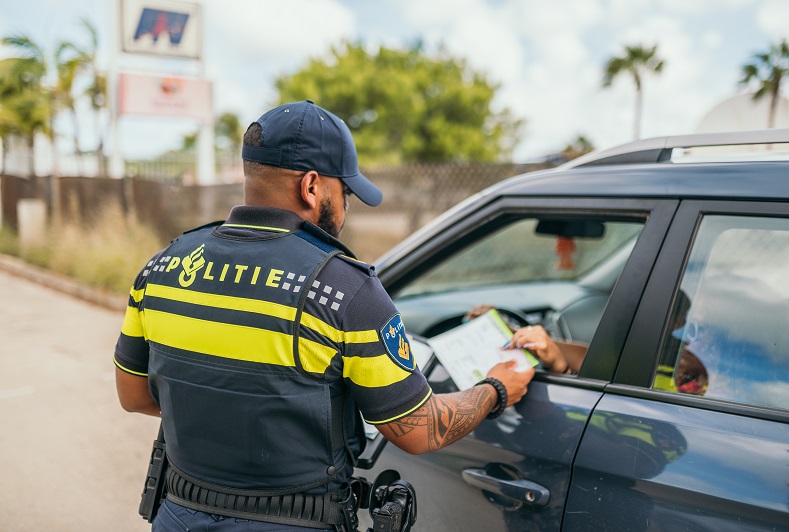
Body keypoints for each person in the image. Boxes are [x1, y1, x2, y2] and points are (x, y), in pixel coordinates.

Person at [114, 100, 534, 531]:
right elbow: (420, 428)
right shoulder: (346, 289)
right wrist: (496, 389)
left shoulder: (162, 267)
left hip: (177, 516)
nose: (347, 207)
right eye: (345, 192)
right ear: (312, 186)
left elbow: (134, 396)